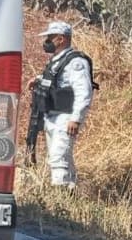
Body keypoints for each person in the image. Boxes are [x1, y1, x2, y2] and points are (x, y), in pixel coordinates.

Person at [32, 21, 94, 189]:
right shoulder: (58, 61)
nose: (47, 41)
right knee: (60, 157)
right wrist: (38, 80)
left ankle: (58, 197)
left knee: (58, 159)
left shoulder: (76, 62)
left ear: (61, 39)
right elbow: (57, 80)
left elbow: (84, 91)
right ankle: (70, 191)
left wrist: (76, 118)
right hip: (52, 116)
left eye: (50, 38)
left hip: (66, 118)